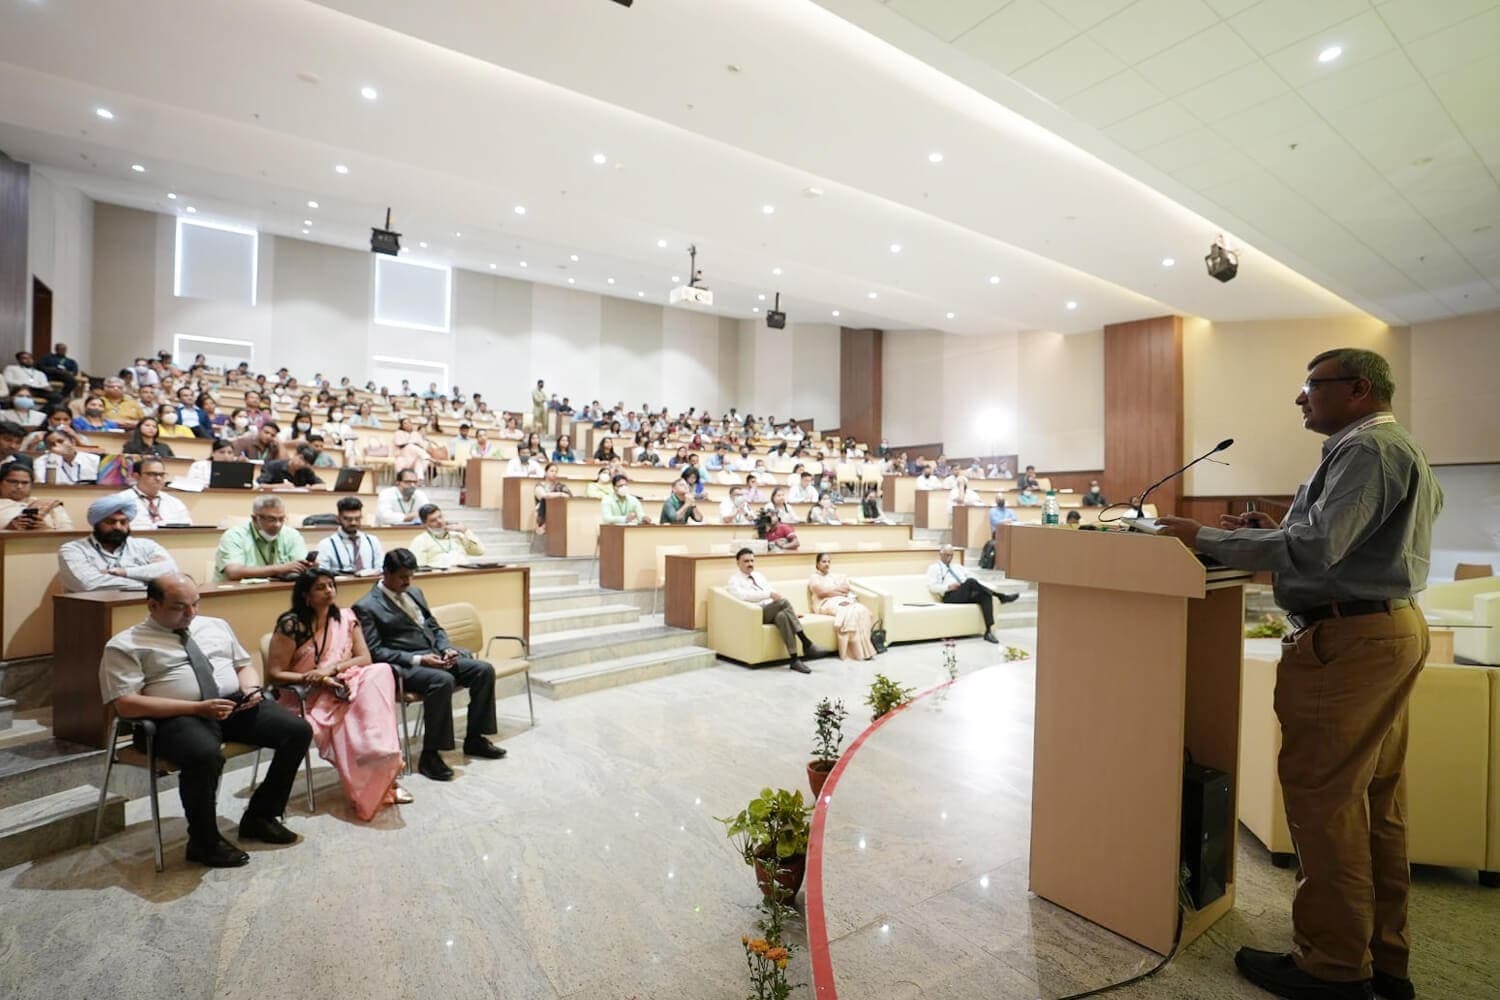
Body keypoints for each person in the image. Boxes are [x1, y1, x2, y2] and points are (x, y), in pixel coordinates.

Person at [1155, 348, 1441, 1000]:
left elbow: (1317, 549)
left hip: (1350, 641)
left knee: (1324, 806)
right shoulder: (1391, 447)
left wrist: (1201, 537)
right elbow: (1343, 542)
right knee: (1374, 806)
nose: (1300, 398)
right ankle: (1383, 960)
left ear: (1359, 388)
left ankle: (1333, 967)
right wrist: (1272, 529)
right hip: (1383, 628)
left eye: (1311, 386)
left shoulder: (1367, 451)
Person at [99, 573, 313, 867]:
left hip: (229, 705)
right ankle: (204, 840)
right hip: (174, 715)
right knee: (204, 755)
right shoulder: (126, 645)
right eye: (179, 608)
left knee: (297, 731)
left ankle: (261, 816)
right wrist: (197, 708)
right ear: (152, 605)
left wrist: (250, 689)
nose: (191, 614)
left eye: (195, 604)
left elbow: (244, 666)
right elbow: (126, 704)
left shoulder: (215, 625)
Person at [264, 569, 408, 819]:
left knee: (381, 671)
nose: (329, 591)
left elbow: (364, 658)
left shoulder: (345, 618)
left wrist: (332, 670)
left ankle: (380, 754)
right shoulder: (291, 624)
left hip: (342, 684)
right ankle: (374, 767)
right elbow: (275, 674)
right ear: (305, 595)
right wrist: (317, 678)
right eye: (321, 587)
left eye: (331, 585)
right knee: (352, 722)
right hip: (304, 695)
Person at [354, 549, 506, 781]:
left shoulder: (414, 592)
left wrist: (446, 648)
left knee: (483, 670)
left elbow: (434, 626)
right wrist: (419, 659)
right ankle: (430, 755)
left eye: (410, 576)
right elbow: (376, 652)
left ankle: (474, 739)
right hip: (404, 665)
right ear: (386, 573)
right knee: (442, 681)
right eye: (402, 576)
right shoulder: (366, 606)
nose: (407, 581)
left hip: (434, 655)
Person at [726, 548, 822, 673]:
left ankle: (794, 660)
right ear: (738, 563)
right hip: (758, 612)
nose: (750, 564)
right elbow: (744, 596)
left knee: (783, 616)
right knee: (784, 602)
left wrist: (790, 613)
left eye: (751, 560)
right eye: (746, 561)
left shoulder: (759, 576)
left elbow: (772, 592)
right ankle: (806, 642)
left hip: (772, 610)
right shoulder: (734, 580)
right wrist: (768, 595)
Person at [58, 495, 179, 592]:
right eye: (110, 522)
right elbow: (87, 584)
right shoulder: (73, 549)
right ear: (97, 523)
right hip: (91, 613)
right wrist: (150, 582)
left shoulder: (145, 546)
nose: (117, 527)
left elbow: (171, 570)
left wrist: (124, 572)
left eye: (123, 522)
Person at [926, 544, 1019, 644]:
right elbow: (932, 586)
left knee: (984, 595)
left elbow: (973, 576)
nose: (949, 558)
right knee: (970, 582)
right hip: (950, 596)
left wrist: (965, 583)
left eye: (951, 555)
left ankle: (988, 631)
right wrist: (948, 587)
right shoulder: (934, 568)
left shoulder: (957, 567)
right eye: (947, 555)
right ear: (941, 554)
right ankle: (1000, 596)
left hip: (964, 591)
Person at [214, 495, 314, 582]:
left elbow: (300, 566)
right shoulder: (234, 536)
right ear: (254, 518)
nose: (277, 525)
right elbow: (234, 572)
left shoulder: (292, 535)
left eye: (281, 519)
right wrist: (279, 569)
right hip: (234, 596)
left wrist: (309, 567)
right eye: (271, 519)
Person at [808, 552, 876, 660]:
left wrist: (833, 591)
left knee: (861, 610)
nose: (827, 564)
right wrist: (837, 591)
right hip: (825, 603)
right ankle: (853, 653)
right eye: (824, 561)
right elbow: (821, 593)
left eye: (829, 562)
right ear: (817, 564)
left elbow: (846, 589)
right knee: (848, 612)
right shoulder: (814, 577)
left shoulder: (834, 576)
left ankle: (865, 650)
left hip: (839, 600)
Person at [316, 496, 385, 573]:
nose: (353, 523)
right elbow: (322, 573)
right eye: (348, 519)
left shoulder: (372, 541)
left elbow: (381, 567)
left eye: (357, 519)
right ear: (338, 519)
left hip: (370, 583)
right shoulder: (326, 544)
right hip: (342, 584)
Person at [120, 456, 192, 529]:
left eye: (162, 475)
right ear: (136, 476)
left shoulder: (175, 503)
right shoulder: (121, 501)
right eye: (152, 474)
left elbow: (187, 529)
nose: (158, 478)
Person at [0, 459, 73, 530]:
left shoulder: (50, 505)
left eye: (25, 483)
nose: (19, 486)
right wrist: (8, 529)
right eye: (13, 482)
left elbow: (68, 534)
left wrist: (46, 529)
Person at [410, 504, 485, 568]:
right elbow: (419, 569)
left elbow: (480, 551)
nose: (439, 521)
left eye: (440, 517)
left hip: (464, 576)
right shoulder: (420, 541)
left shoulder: (457, 535)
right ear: (424, 524)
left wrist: (465, 531)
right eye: (433, 520)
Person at [35, 429, 101, 484]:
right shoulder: (41, 462)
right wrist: (53, 459)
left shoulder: (95, 460)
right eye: (52, 444)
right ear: (48, 448)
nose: (57, 445)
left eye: (60, 441)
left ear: (72, 442)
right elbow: (47, 486)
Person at [256, 443, 325, 488]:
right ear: (295, 454)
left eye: (306, 463)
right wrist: (280, 486)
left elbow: (322, 485)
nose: (302, 464)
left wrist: (311, 487)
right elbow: (260, 485)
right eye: (301, 458)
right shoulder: (272, 466)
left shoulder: (306, 470)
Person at [533, 463, 572, 535]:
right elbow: (542, 496)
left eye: (556, 472)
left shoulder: (560, 485)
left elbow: (569, 496)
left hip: (558, 510)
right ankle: (542, 526)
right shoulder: (539, 485)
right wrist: (560, 494)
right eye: (551, 471)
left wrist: (561, 495)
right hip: (543, 510)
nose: (554, 473)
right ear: (545, 472)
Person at [391, 416, 430, 482]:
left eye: (409, 422)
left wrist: (415, 444)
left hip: (414, 457)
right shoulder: (398, 433)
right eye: (405, 423)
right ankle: (401, 480)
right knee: (411, 446)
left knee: (419, 460)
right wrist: (411, 443)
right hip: (402, 456)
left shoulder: (416, 434)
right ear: (402, 425)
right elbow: (399, 445)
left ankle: (419, 479)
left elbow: (422, 446)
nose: (407, 424)